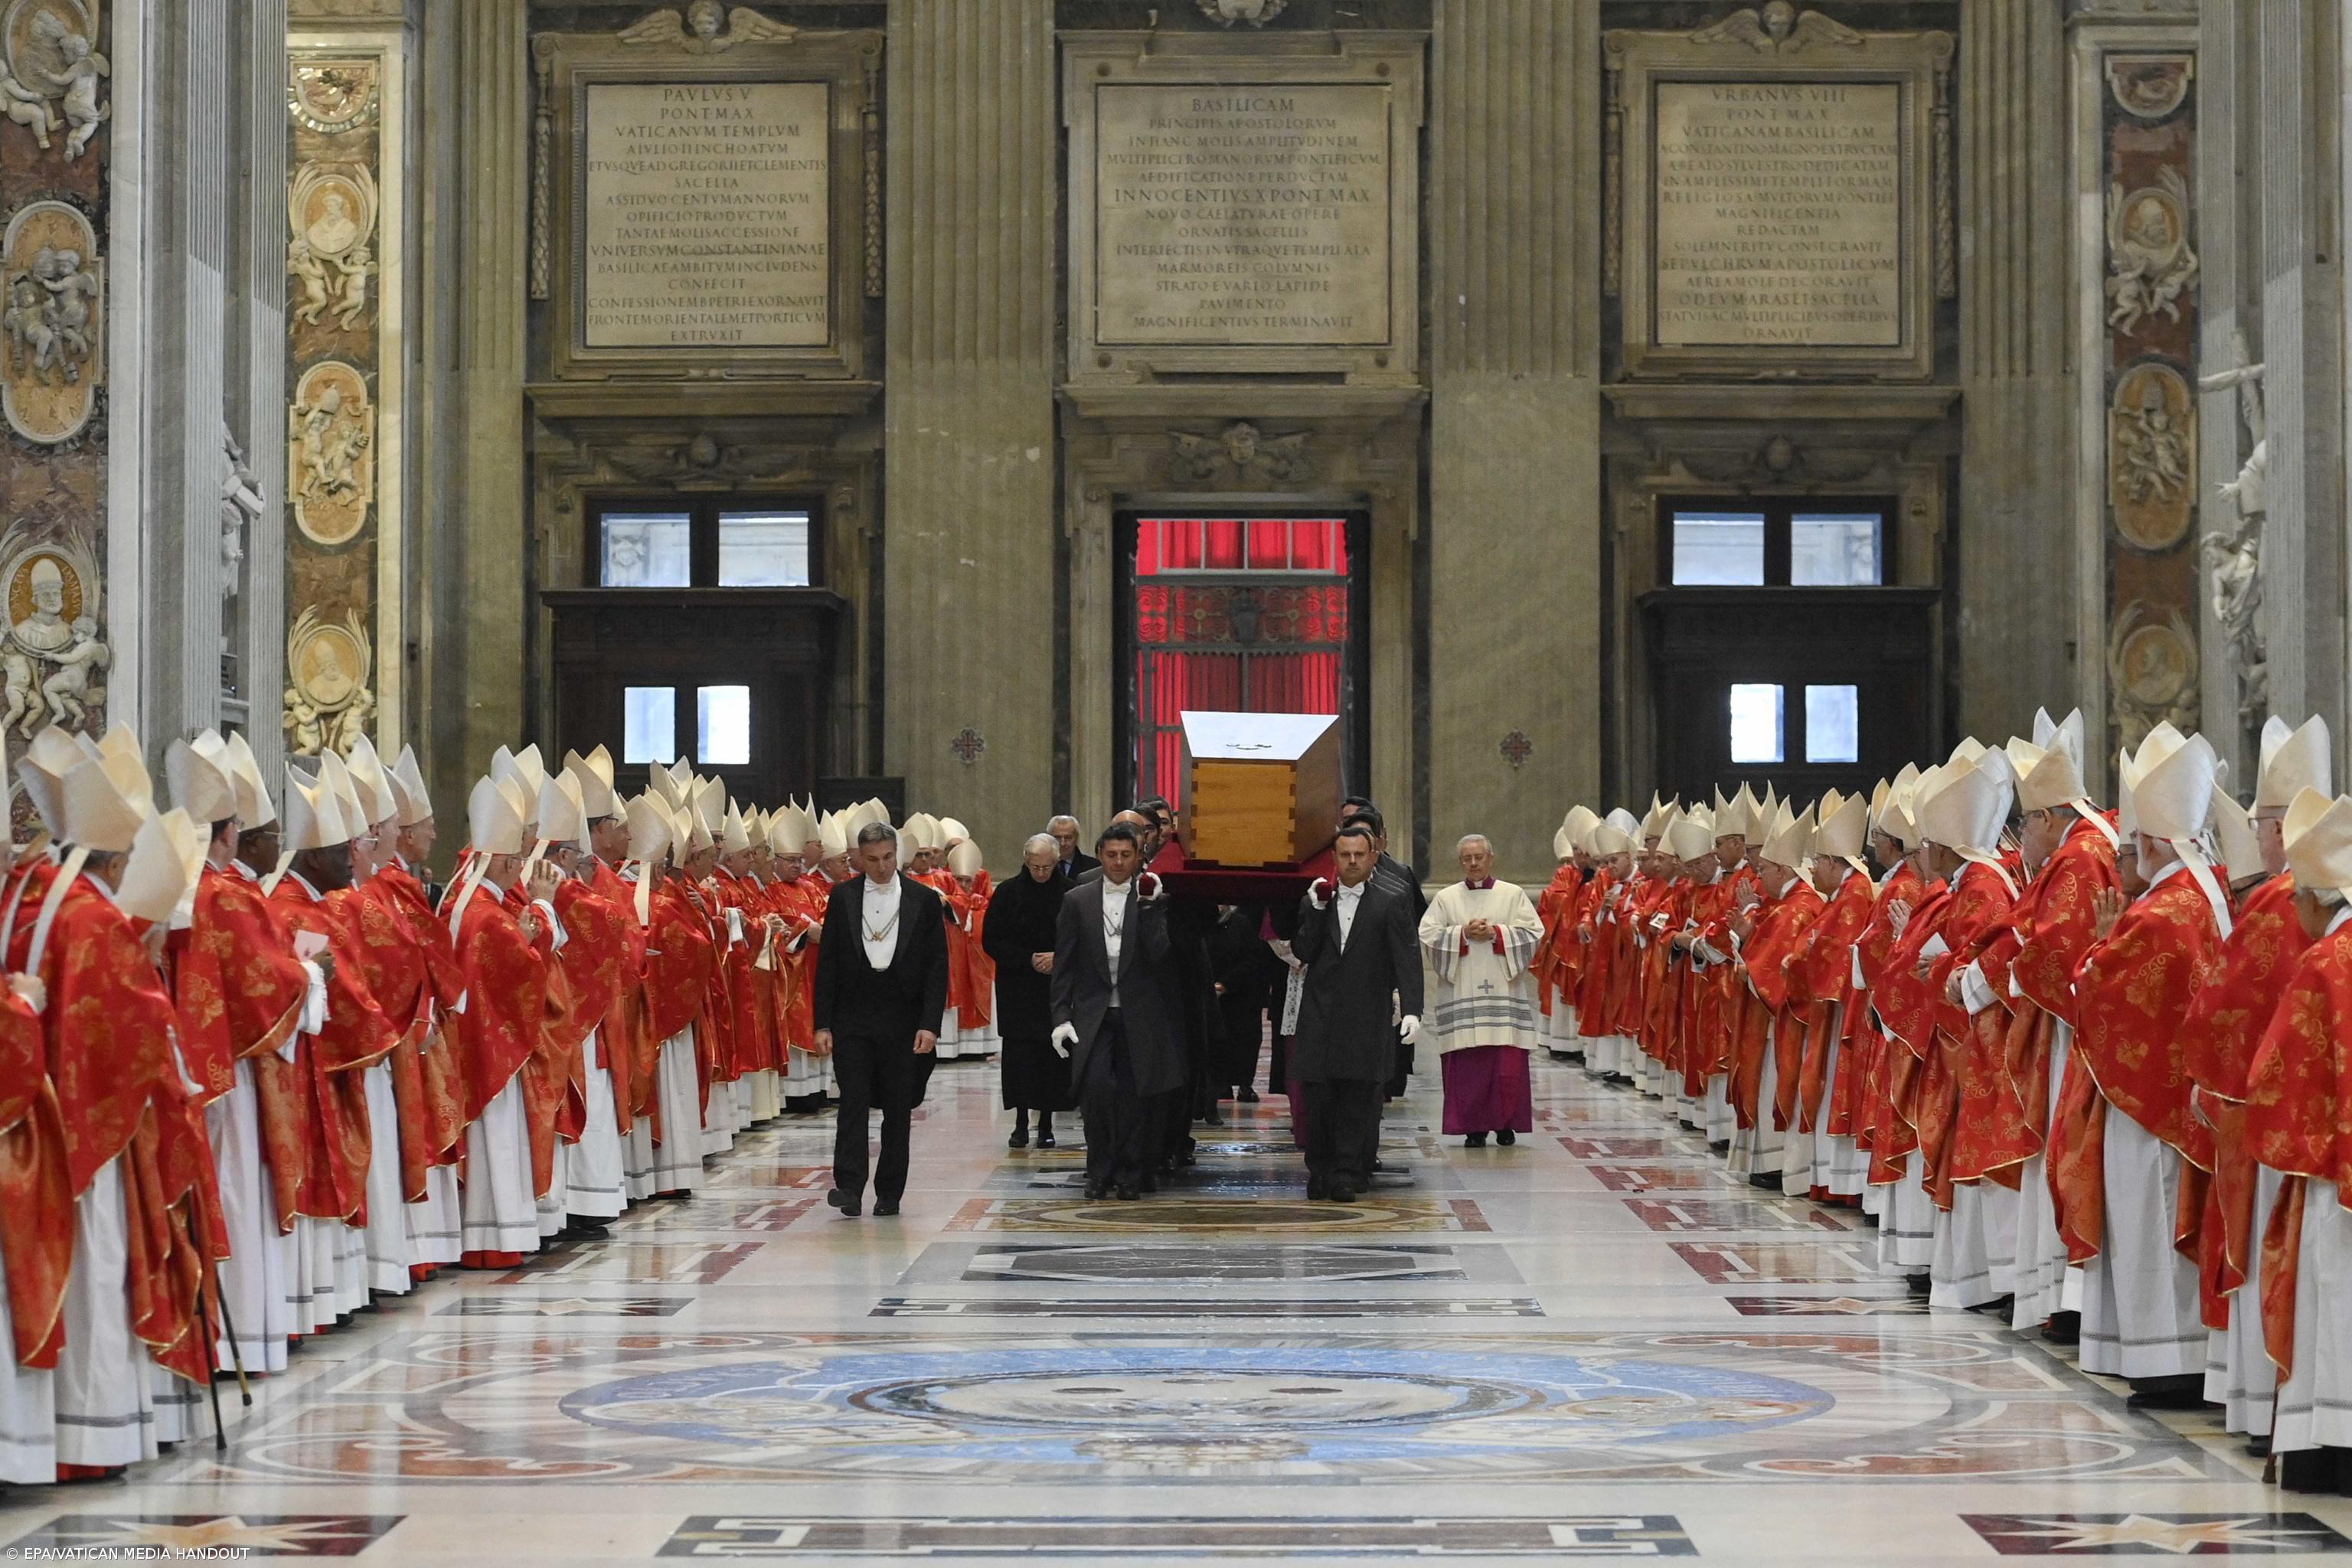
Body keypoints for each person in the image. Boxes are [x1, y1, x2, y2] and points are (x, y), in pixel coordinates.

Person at [2067, 724, 2231, 1408]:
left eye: (2134, 841)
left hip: (2150, 1107)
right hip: (2185, 1095)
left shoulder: (2158, 913)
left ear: (2154, 841)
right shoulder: (2207, 894)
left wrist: (2096, 952)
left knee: (2150, 1216)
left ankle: (2169, 1360)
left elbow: (2100, 995)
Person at [812, 823, 949, 1218]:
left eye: (888, 857)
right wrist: (823, 1023)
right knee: (851, 1104)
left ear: (898, 853)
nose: (882, 867)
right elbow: (829, 965)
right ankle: (850, 1187)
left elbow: (937, 967)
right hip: (853, 1017)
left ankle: (889, 1192)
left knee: (897, 1108)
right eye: (872, 860)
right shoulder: (842, 897)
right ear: (858, 858)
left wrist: (930, 1024)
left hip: (903, 1019)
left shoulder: (924, 900)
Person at [1292, 824, 1423, 1200]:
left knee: (1357, 1101)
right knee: (1317, 1102)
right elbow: (1304, 952)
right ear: (1333, 857)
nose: (1351, 861)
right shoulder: (1316, 899)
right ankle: (1320, 1170)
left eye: (1359, 855)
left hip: (1367, 1015)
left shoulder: (1392, 899)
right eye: (1344, 854)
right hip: (1319, 1016)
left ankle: (1347, 1173)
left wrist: (1412, 1009)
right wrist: (1316, 909)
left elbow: (1407, 957)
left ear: (1373, 857)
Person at [1051, 822, 1180, 1200]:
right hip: (1093, 1014)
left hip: (1139, 1014)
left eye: (1127, 855)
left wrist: (1152, 909)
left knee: (1133, 1095)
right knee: (1096, 1090)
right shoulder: (1078, 900)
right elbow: (1064, 964)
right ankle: (1098, 1170)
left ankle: (1129, 1171)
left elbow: (1160, 956)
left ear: (1139, 856)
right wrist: (1060, 1017)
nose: (1119, 862)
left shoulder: (1152, 896)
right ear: (1100, 855)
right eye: (1111, 855)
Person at [1419, 833, 1544, 1147]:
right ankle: (1473, 1128)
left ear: (1491, 858)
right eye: (1466, 858)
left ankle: (1505, 1125)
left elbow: (1533, 933)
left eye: (1479, 857)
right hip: (1462, 994)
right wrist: (1461, 933)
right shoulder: (1447, 898)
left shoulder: (1513, 894)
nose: (1473, 864)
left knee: (1505, 1064)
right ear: (1460, 862)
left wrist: (1495, 933)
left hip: (1504, 993)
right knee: (1468, 1066)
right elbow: (1428, 934)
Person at [982, 834, 1073, 1148]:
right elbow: (991, 940)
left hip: (1055, 989)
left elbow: (1083, 940)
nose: (1041, 874)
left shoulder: (1071, 893)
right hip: (1018, 988)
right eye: (1035, 867)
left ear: (1057, 862)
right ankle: (1020, 1123)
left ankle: (1046, 1124)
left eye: (1047, 867)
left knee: (1052, 1056)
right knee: (1020, 1059)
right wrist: (1027, 959)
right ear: (1025, 861)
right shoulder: (1007, 893)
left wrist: (1058, 958)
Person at [1049, 815, 1098, 880]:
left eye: (1068, 838)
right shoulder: (1039, 867)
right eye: (1057, 837)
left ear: (1077, 838)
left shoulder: (1093, 867)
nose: (1062, 843)